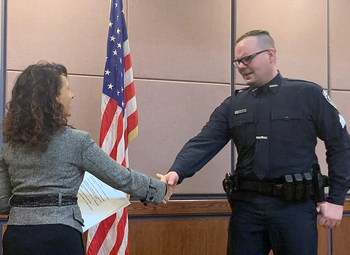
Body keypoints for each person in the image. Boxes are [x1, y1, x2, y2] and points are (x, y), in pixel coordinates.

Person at [162, 30, 350, 255]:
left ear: (270, 54)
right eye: (237, 61)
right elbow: (204, 142)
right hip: (247, 209)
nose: (241, 66)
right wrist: (177, 171)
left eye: (247, 59)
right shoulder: (233, 104)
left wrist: (337, 199)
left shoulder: (308, 94)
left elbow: (340, 145)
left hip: (294, 209)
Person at [0, 62, 171, 255]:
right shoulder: (77, 141)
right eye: (67, 88)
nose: (72, 95)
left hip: (17, 236)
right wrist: (159, 188)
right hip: (60, 236)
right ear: (52, 98)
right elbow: (121, 177)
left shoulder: (9, 146)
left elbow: (3, 203)